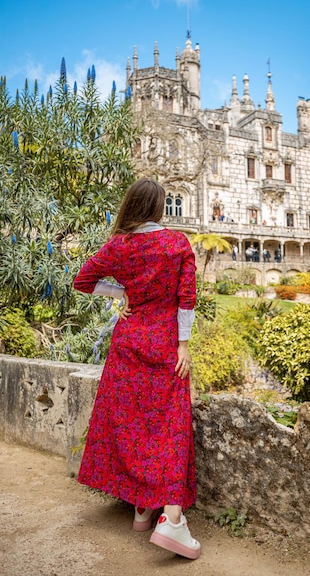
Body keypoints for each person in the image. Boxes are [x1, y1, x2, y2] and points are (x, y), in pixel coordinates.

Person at [73, 178, 201, 560]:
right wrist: (182, 345)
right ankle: (173, 519)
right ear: (160, 207)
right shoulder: (176, 243)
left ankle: (142, 508)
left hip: (129, 340)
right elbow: (186, 298)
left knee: (131, 422)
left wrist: (120, 293)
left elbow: (83, 281)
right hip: (164, 342)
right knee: (170, 424)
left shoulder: (120, 244)